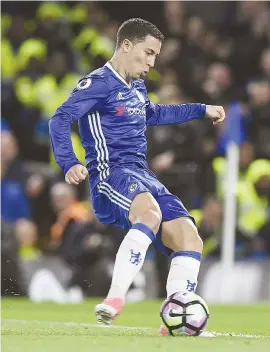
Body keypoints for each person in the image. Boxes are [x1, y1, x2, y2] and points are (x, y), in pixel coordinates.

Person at [49, 18, 225, 330]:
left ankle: (176, 316)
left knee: (189, 235)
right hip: (111, 174)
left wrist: (200, 109)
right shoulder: (97, 84)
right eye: (148, 53)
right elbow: (60, 118)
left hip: (143, 174)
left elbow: (154, 113)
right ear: (127, 45)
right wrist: (69, 162)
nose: (151, 61)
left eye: (156, 55)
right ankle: (115, 298)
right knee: (150, 213)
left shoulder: (137, 86)